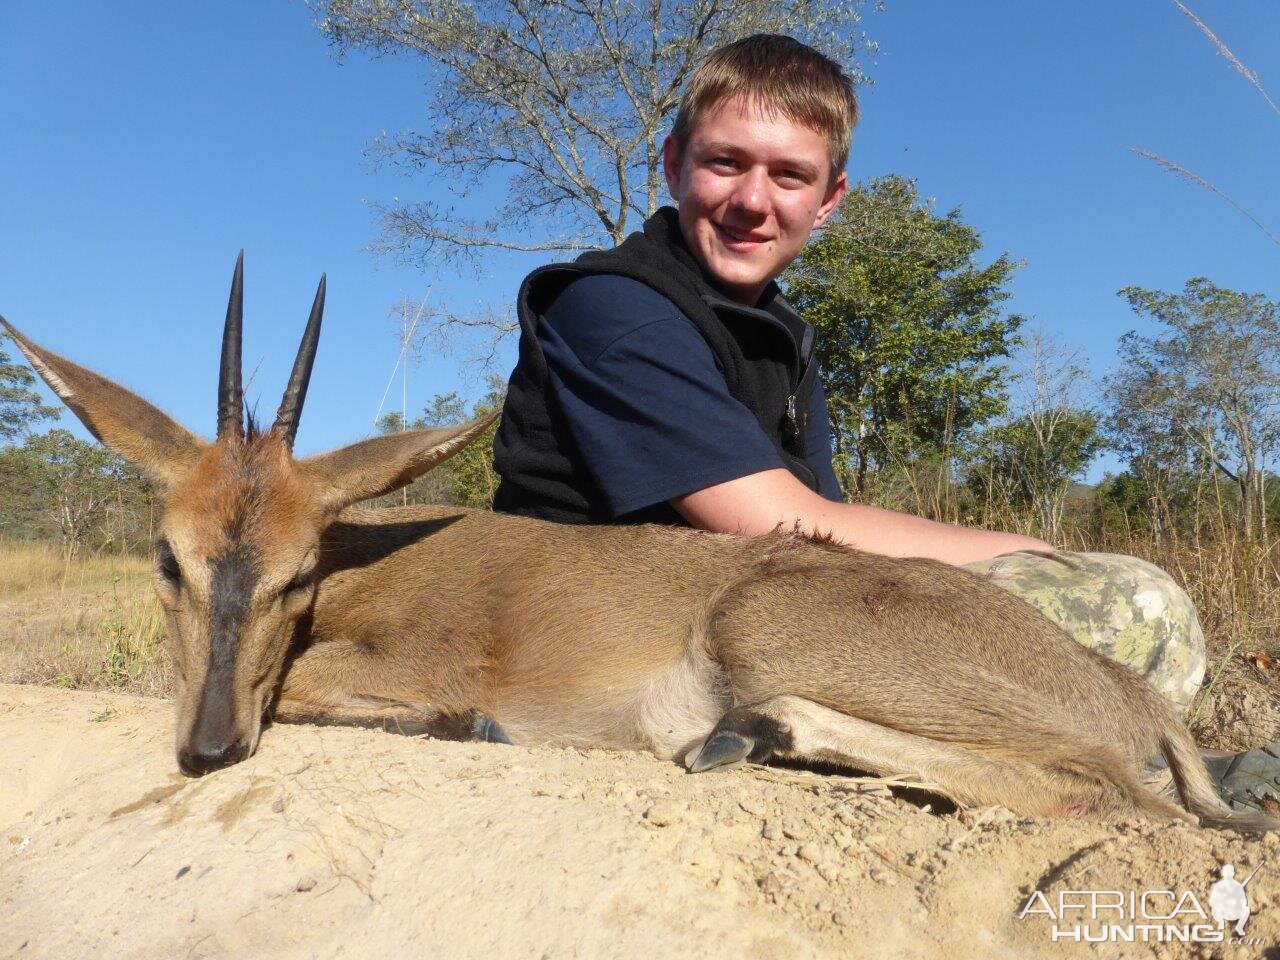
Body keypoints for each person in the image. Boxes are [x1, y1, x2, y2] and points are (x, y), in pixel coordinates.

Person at [491, 33, 1280, 809]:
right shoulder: (612, 306)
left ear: (829, 198)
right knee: (1139, 606)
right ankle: (1101, 758)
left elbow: (829, 534)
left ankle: (1061, 745)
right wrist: (1035, 551)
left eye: (789, 175)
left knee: (1121, 612)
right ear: (672, 163)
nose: (752, 201)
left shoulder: (782, 336)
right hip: (624, 639)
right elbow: (780, 527)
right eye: (725, 162)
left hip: (762, 614)